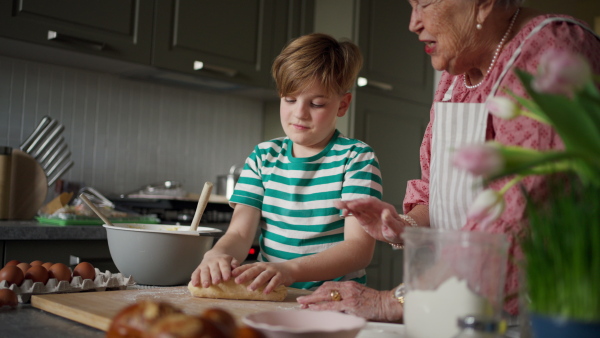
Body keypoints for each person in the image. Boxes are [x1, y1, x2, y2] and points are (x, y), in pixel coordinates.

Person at [297, 0, 600, 322]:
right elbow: (439, 191)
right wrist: (406, 225)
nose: (413, 23)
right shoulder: (455, 76)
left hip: (542, 315)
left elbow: (521, 214)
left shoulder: (552, 48)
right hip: (460, 309)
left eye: (425, 3)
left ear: (484, 4)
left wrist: (393, 301)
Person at [190, 33, 383, 294]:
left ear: (343, 104)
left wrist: (290, 270)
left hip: (336, 299)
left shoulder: (356, 158)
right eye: (290, 99)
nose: (299, 113)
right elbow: (238, 234)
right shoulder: (262, 156)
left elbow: (358, 249)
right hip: (271, 294)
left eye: (316, 103)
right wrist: (218, 254)